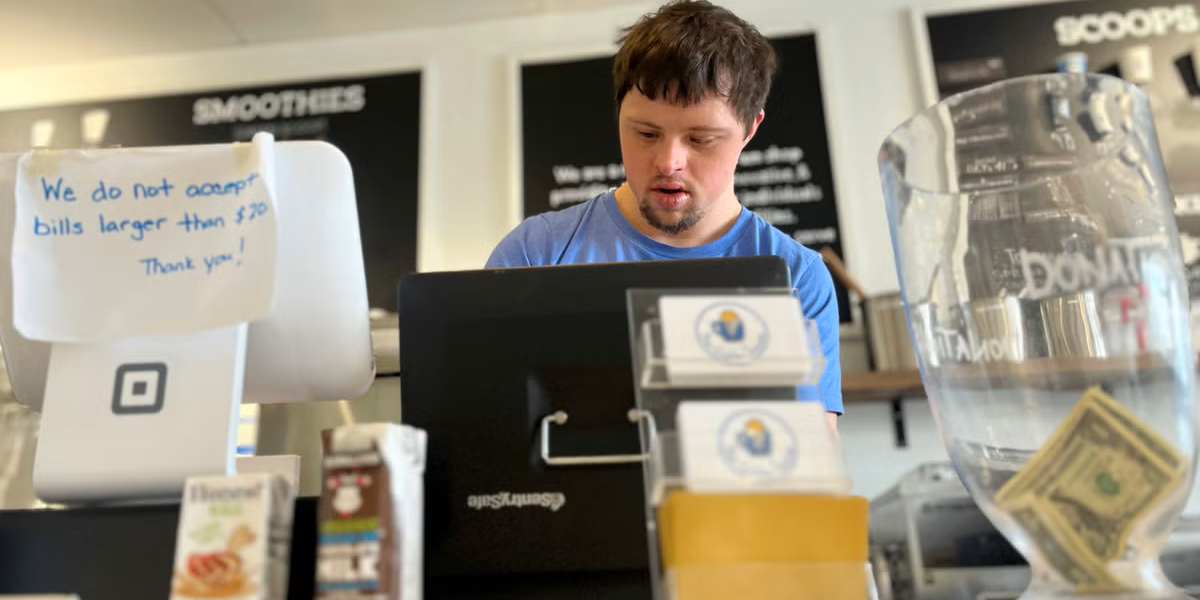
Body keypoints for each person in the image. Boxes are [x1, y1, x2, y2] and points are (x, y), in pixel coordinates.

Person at [486, 0, 842, 428]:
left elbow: (810, 466)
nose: (668, 162)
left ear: (750, 130)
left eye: (700, 138)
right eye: (646, 133)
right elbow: (485, 431)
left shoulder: (797, 277)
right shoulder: (535, 253)